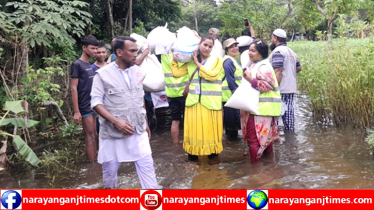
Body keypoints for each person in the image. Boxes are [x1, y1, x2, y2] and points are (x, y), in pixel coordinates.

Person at [90, 36, 158, 189]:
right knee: (110, 175)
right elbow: (95, 102)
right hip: (112, 133)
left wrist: (145, 122)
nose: (136, 54)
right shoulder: (102, 74)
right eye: (132, 51)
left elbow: (140, 99)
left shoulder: (139, 72)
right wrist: (116, 121)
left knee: (147, 169)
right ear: (119, 52)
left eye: (137, 51)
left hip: (138, 129)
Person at [171, 35, 224, 165]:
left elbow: (211, 75)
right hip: (193, 104)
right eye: (205, 44)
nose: (207, 48)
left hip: (210, 105)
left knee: (211, 135)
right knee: (193, 135)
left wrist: (197, 63)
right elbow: (176, 73)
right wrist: (174, 58)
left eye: (210, 46)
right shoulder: (189, 62)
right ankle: (193, 160)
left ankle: (213, 162)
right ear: (199, 45)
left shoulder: (217, 60)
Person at [241, 40, 281, 162]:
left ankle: (255, 168)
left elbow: (266, 86)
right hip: (261, 109)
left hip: (261, 110)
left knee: (254, 140)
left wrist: (249, 79)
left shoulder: (263, 66)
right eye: (249, 50)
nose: (249, 53)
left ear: (261, 53)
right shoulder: (256, 64)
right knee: (267, 139)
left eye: (253, 51)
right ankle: (269, 165)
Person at [70, 35, 98, 161]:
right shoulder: (77, 64)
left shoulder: (89, 65)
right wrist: (76, 111)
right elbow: (73, 88)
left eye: (96, 49)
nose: (94, 51)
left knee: (95, 135)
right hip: (84, 105)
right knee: (90, 136)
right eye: (92, 48)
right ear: (84, 48)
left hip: (93, 103)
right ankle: (92, 167)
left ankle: (97, 162)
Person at [269, 29, 302, 132]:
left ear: (276, 38)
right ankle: (290, 141)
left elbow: (278, 70)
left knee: (275, 118)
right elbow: (298, 68)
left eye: (271, 37)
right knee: (289, 116)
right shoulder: (291, 51)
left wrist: (274, 88)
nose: (271, 40)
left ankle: (275, 142)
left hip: (280, 89)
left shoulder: (278, 51)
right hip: (290, 88)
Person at [163, 53, 188, 144]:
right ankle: (188, 142)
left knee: (175, 120)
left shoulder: (163, 54)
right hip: (185, 91)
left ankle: (175, 144)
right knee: (188, 119)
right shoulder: (182, 52)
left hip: (171, 92)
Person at [222, 38, 243, 140]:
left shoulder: (233, 60)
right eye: (231, 47)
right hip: (229, 97)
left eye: (236, 46)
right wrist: (237, 95)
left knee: (231, 126)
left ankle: (230, 146)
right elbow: (230, 80)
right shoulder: (228, 62)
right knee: (232, 126)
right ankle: (232, 146)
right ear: (226, 49)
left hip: (231, 96)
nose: (235, 48)